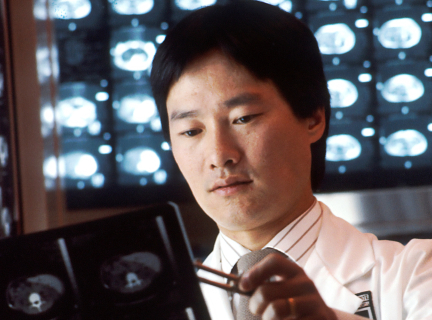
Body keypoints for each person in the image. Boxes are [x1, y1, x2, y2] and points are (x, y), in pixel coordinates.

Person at [150, 1, 432, 319]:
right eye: (190, 131)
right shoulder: (156, 309)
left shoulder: (416, 273)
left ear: (313, 117)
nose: (219, 155)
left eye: (243, 118)